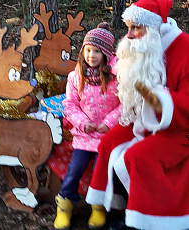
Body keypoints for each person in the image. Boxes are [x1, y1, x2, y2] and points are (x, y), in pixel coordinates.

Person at [85, 0, 189, 229]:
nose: (129, 35)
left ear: (151, 28)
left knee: (138, 157)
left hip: (177, 129)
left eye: (135, 28)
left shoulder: (184, 48)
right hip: (141, 121)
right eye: (128, 27)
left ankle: (147, 220)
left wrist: (159, 100)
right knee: (108, 144)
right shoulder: (141, 45)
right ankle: (119, 206)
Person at [53, 22, 121, 230]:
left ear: (107, 54)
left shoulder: (116, 79)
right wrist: (82, 123)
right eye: (88, 50)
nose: (92, 55)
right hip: (84, 136)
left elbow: (123, 104)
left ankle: (98, 207)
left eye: (97, 51)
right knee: (75, 170)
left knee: (102, 173)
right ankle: (65, 206)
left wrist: (108, 123)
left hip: (106, 137)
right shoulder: (76, 77)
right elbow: (70, 104)